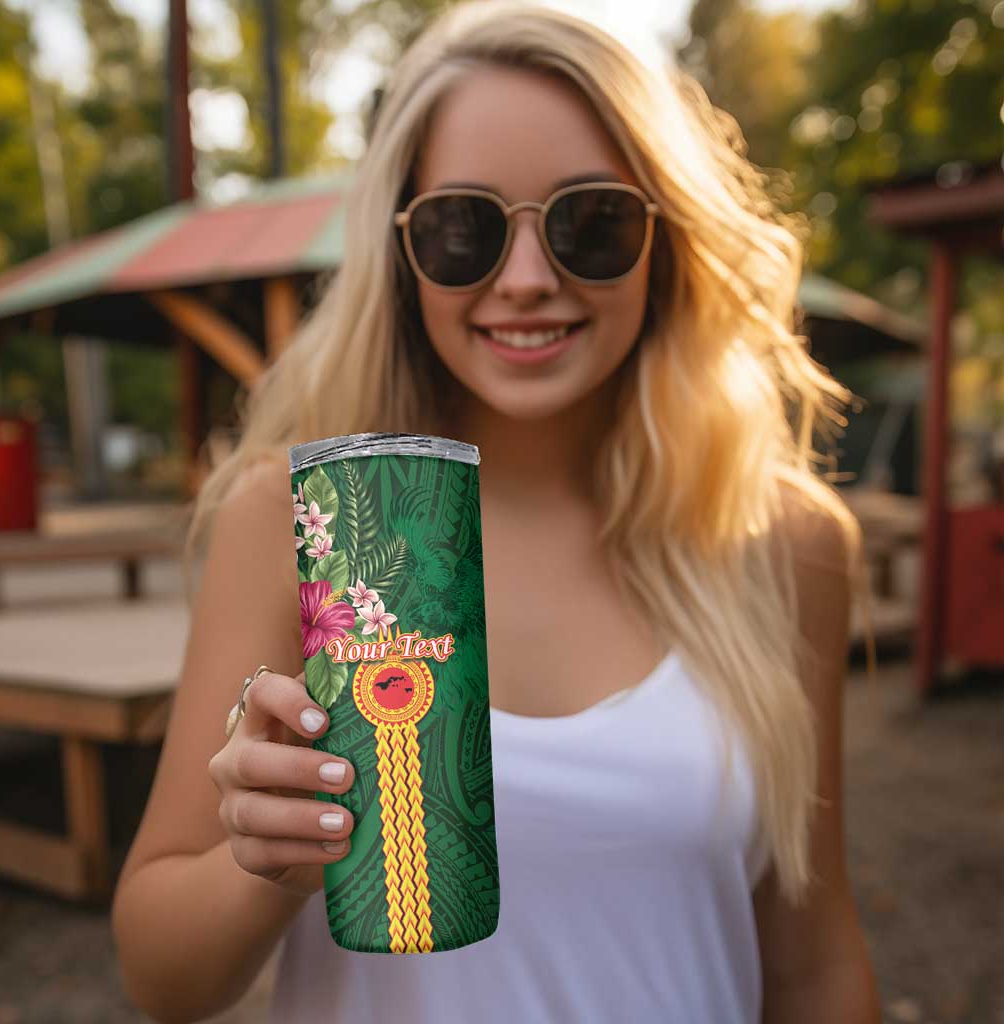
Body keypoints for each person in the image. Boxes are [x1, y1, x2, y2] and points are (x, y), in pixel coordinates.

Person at [111, 2, 882, 1021]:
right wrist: (262, 857)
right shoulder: (305, 521)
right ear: (400, 250)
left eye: (591, 222)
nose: (526, 280)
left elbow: (813, 960)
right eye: (463, 227)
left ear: (667, 241)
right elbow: (160, 976)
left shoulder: (783, 541)